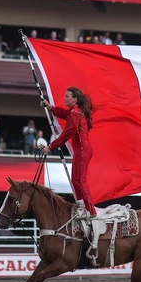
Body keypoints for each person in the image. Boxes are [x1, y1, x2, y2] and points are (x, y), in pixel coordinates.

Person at [41, 87, 96, 217]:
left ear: (75, 99)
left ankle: (91, 211)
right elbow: (65, 115)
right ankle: (85, 207)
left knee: (79, 181)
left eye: (67, 96)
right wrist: (51, 107)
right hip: (83, 149)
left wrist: (51, 146)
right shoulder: (75, 112)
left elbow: (67, 134)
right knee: (76, 180)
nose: (64, 98)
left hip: (82, 150)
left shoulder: (75, 113)